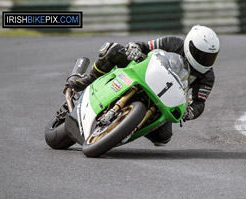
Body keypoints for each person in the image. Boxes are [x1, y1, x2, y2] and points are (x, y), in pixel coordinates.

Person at [66, 25, 220, 146]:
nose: (205, 60)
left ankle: (127, 126)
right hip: (144, 72)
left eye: (210, 57)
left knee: (163, 138)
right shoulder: (174, 43)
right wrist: (135, 47)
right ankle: (89, 78)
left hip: (164, 96)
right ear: (190, 46)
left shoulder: (207, 76)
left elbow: (199, 102)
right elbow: (145, 46)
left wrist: (190, 112)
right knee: (114, 50)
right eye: (201, 55)